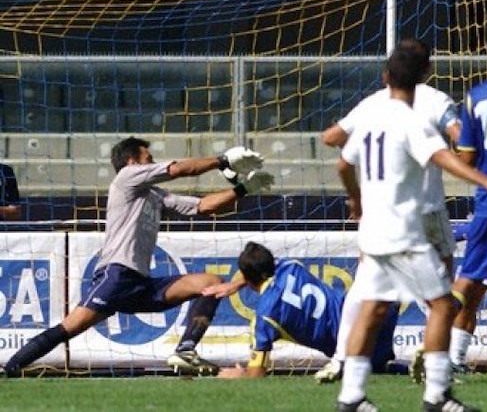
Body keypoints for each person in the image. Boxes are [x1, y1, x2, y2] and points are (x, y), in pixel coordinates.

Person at [2, 137, 274, 378]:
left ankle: (186, 350)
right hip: (116, 276)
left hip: (141, 283)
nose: (153, 163)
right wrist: (221, 160)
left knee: (210, 282)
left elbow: (203, 207)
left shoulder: (154, 195)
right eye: (148, 158)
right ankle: (10, 366)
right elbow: (179, 169)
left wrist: (243, 189)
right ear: (132, 162)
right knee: (69, 328)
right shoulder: (127, 178)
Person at [335, 46, 487, 411]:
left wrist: (356, 200)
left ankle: (350, 397)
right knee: (442, 306)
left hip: (374, 233)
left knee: (374, 309)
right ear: (425, 76)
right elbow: (442, 157)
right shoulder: (411, 122)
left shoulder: (371, 119)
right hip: (403, 234)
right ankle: (437, 396)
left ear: (385, 78)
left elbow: (342, 164)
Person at [316, 38, 462, 384]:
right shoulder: (435, 99)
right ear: (427, 70)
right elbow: (460, 137)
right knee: (440, 292)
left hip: (380, 212)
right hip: (425, 208)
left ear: (387, 74)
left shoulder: (374, 104)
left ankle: (341, 362)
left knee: (367, 288)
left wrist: (363, 159)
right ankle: (439, 365)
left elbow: (331, 137)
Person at [203, 241, 399, 379]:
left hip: (358, 348)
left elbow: (256, 374)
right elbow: (267, 266)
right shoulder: (290, 266)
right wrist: (237, 284)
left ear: (248, 277)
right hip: (375, 310)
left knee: (370, 368)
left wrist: (239, 375)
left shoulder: (265, 319)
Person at [448, 23, 487, 374]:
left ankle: (445, 356)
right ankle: (449, 358)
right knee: (472, 283)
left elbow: (465, 159)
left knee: (471, 282)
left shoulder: (476, 96)